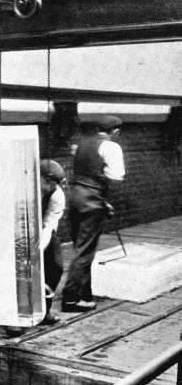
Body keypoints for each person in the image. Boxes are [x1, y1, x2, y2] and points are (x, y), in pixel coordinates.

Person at [61, 115, 125, 312]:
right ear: (115, 132)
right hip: (91, 199)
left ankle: (84, 294)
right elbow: (116, 177)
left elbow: (82, 174)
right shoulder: (111, 147)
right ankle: (71, 299)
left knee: (79, 248)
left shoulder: (81, 144)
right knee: (85, 251)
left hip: (72, 197)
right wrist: (100, 193)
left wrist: (103, 202)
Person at [36, 159, 66, 325]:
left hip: (42, 228)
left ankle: (44, 311)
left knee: (55, 266)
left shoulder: (57, 195)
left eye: (52, 184)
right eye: (46, 181)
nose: (49, 186)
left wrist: (41, 247)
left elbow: (49, 226)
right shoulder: (24, 188)